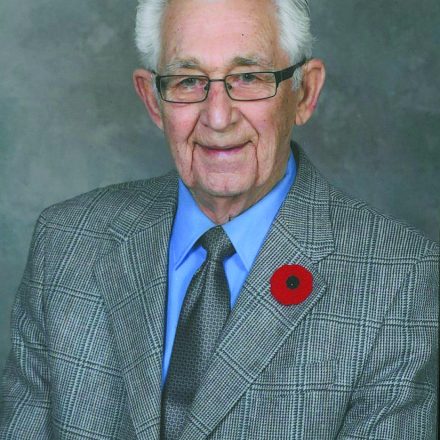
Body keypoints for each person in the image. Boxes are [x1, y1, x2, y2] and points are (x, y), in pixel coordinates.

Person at [1, 0, 438, 438]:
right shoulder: (66, 244)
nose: (217, 117)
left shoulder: (400, 280)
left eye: (248, 77)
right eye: (188, 81)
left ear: (304, 93)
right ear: (153, 101)